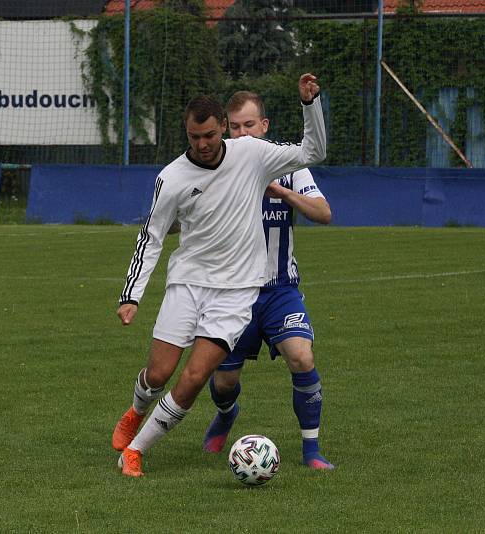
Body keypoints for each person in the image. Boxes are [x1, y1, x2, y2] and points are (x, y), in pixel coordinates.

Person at [111, 74, 326, 477]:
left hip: (237, 292)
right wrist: (131, 294)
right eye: (194, 137)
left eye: (209, 135)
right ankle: (136, 410)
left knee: (195, 376)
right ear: (187, 134)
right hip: (188, 283)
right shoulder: (171, 178)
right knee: (158, 373)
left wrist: (310, 105)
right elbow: (152, 237)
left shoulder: (252, 154)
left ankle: (136, 451)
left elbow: (313, 150)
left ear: (223, 128)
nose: (203, 144)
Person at [201, 90, 335, 470]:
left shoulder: (289, 164)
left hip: (280, 292)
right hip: (233, 292)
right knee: (224, 382)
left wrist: (277, 189)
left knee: (302, 356)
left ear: (264, 126)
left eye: (250, 126)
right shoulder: (217, 167)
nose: (243, 135)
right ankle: (227, 415)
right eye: (236, 127)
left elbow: (324, 213)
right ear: (227, 129)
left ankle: (311, 451)